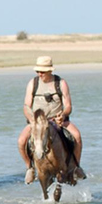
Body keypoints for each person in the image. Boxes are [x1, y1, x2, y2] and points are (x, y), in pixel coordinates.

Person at [17, 56, 85, 184]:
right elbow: (26, 106)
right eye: (38, 71)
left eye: (42, 71)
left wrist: (63, 114)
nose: (39, 74)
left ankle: (76, 167)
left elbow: (68, 105)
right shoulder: (33, 83)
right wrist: (32, 119)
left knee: (77, 136)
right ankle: (29, 168)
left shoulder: (61, 83)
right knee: (21, 141)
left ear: (50, 71)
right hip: (38, 122)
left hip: (57, 120)